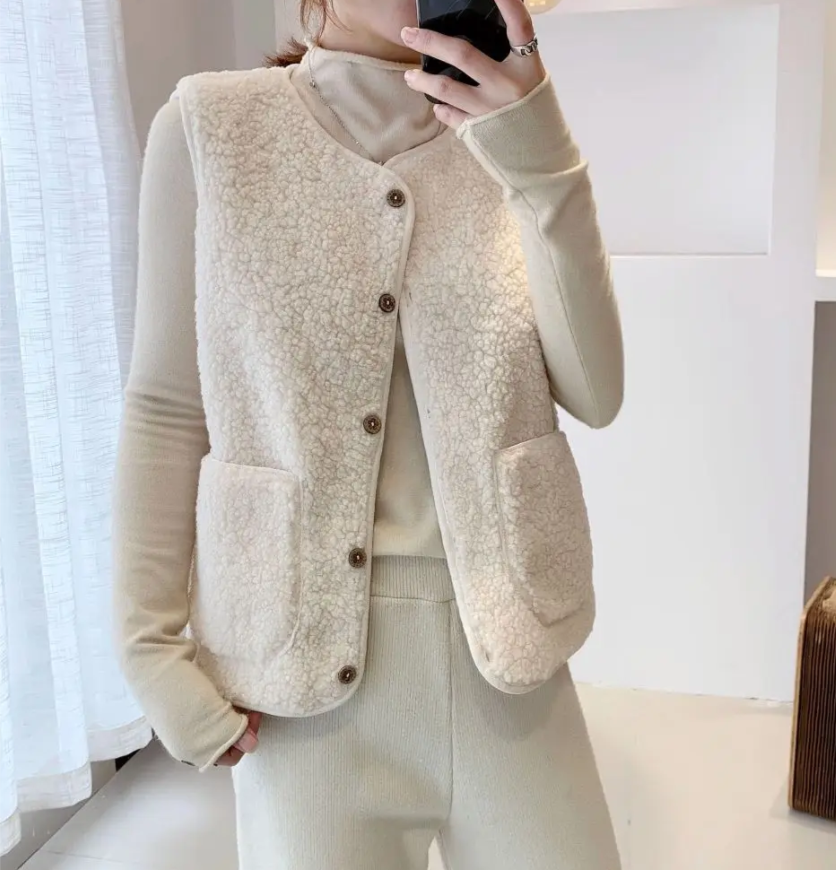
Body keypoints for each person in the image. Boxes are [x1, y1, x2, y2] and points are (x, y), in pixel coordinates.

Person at [113, 0, 625, 867]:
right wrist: (147, 648)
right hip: (299, 681)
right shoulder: (210, 128)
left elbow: (597, 392)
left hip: (505, 660)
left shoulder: (508, 134)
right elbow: (166, 406)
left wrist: (541, 162)